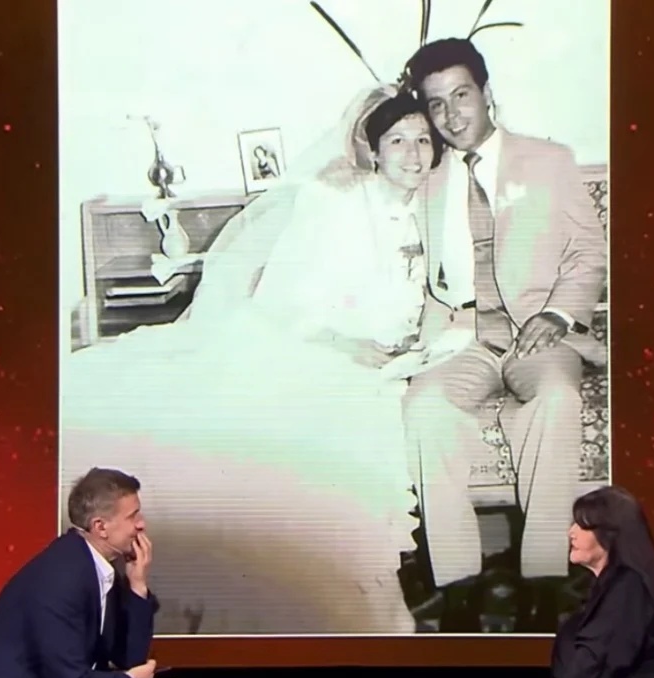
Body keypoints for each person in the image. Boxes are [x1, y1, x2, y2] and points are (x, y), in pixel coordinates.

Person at [59, 87, 443, 634]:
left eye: (423, 140)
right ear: (373, 150)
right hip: (317, 345)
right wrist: (347, 345)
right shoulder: (334, 203)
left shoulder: (437, 205)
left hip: (388, 357)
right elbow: (283, 302)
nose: (413, 154)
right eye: (398, 141)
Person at [398, 37, 609, 630]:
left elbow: (588, 251)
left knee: (556, 399)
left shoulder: (549, 160)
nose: (451, 115)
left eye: (461, 95)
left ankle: (543, 578)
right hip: (463, 335)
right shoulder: (426, 177)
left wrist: (558, 314)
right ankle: (458, 582)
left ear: (487, 93)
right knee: (424, 406)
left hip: (538, 331)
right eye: (436, 104)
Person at [0, 468, 171, 678]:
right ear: (100, 527)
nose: (142, 524)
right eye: (133, 516)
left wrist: (137, 585)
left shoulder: (98, 567)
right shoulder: (62, 576)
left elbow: (129, 658)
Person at [486, 487, 654, 678]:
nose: (571, 533)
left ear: (609, 536)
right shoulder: (621, 582)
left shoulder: (628, 586)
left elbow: (600, 659)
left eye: (582, 526)